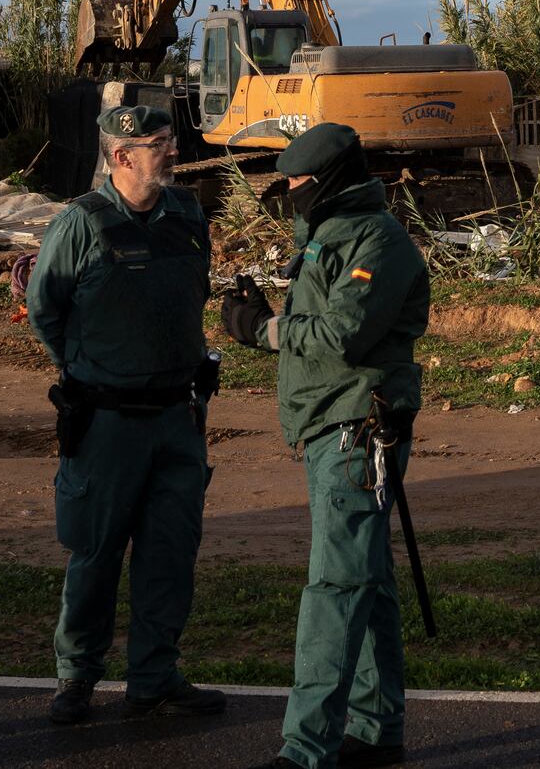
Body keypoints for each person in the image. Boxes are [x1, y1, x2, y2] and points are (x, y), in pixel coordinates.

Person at [221, 123, 428, 769]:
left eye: (298, 183)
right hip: (327, 423)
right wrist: (266, 306)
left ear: (330, 180)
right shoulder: (326, 235)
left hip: (357, 427)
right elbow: (317, 315)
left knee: (336, 585)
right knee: (369, 581)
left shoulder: (379, 239)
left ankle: (305, 749)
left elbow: (342, 333)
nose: (290, 193)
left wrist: (264, 329)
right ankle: (376, 728)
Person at [25, 106, 224, 726]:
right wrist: (86, 370)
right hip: (106, 423)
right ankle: (77, 679)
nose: (170, 152)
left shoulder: (187, 215)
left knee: (169, 555)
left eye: (169, 141)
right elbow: (45, 311)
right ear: (120, 157)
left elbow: (196, 292)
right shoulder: (80, 224)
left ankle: (154, 678)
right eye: (157, 145)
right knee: (95, 553)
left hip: (176, 419)